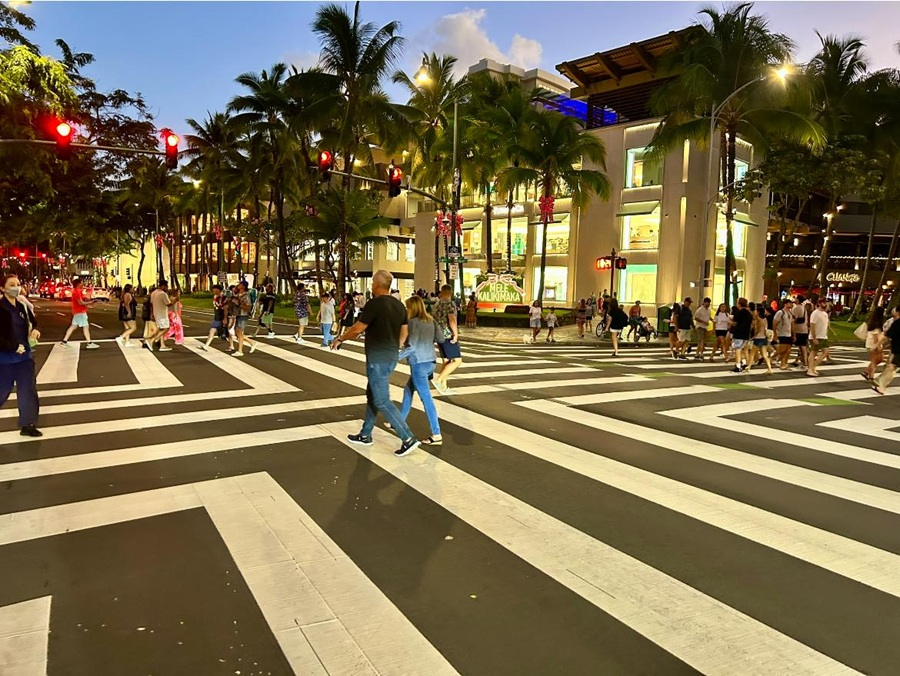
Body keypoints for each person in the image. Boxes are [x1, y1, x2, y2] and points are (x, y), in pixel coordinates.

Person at [331, 270, 420, 457]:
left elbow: (358, 328)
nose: (371, 285)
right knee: (373, 395)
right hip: (390, 356)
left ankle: (407, 437)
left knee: (381, 400)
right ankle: (365, 434)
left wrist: (340, 339)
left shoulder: (374, 304)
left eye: (372, 282)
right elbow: (405, 331)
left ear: (378, 284)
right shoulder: (398, 305)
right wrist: (397, 345)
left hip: (377, 358)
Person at [393, 295, 442, 445]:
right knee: (408, 390)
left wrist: (395, 357)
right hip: (431, 361)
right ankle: (399, 422)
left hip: (419, 363)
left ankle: (436, 434)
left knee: (426, 399)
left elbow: (412, 347)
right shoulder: (431, 320)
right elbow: (440, 339)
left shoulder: (413, 322)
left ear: (411, 308)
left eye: (407, 308)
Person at [0, 274, 42, 437]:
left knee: (27, 391)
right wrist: (13, 347)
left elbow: (33, 323)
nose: (16, 288)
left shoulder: (22, 306)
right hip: (5, 359)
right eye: (11, 285)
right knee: (2, 391)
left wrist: (35, 331)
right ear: (2, 288)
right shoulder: (1, 308)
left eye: (17, 284)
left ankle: (28, 424)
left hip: (25, 358)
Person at [432, 284, 463, 393]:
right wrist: (456, 334)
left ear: (441, 292)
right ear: (450, 292)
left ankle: (444, 387)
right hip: (448, 335)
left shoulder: (436, 304)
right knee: (457, 361)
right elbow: (452, 319)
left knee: (446, 361)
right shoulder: (450, 303)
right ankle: (438, 380)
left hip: (438, 335)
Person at [60, 278, 99, 349]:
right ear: (78, 284)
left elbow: (81, 301)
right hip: (80, 312)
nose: (82, 284)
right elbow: (80, 303)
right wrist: (90, 302)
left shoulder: (77, 291)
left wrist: (88, 302)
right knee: (85, 326)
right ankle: (89, 343)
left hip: (77, 311)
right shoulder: (76, 292)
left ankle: (64, 341)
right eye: (81, 283)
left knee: (73, 326)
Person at [873, 306, 900, 395]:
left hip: (898, 350)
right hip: (897, 350)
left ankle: (881, 386)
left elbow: (886, 336)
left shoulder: (897, 323)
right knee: (891, 367)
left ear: (897, 312)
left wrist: (877, 344)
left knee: (892, 367)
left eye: (894, 310)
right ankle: (880, 382)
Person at [144, 279, 174, 352]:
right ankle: (151, 340)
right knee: (166, 328)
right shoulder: (163, 294)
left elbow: (151, 304)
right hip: (162, 315)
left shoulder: (153, 293)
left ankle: (162, 345)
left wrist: (152, 314)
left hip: (156, 314)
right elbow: (168, 304)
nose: (167, 288)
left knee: (161, 329)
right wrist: (174, 301)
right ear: (163, 286)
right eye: (166, 286)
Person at [231, 281, 259, 357]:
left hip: (243, 315)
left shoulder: (246, 295)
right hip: (238, 315)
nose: (238, 285)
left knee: (239, 332)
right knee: (237, 333)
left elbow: (248, 307)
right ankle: (252, 343)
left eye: (240, 284)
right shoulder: (237, 294)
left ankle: (240, 351)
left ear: (243, 286)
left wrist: (239, 304)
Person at [807, 297, 830, 377]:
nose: (826, 304)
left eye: (826, 303)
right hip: (816, 336)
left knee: (826, 352)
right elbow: (812, 325)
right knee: (814, 352)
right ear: (819, 304)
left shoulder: (825, 314)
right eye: (824, 303)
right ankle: (810, 369)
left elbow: (825, 325)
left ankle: (813, 366)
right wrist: (814, 338)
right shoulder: (815, 313)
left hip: (823, 336)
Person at [729, 297, 753, 373]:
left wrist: (730, 322)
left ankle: (738, 365)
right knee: (742, 349)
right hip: (746, 334)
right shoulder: (749, 313)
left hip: (738, 333)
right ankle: (744, 363)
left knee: (737, 349)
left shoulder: (739, 313)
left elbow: (735, 323)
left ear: (739, 304)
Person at [862, 305, 886, 382]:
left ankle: (866, 372)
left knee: (878, 360)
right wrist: (878, 346)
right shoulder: (876, 325)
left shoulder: (873, 323)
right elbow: (875, 337)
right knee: (875, 360)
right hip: (873, 344)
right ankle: (871, 376)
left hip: (870, 344)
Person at [199, 285, 225, 351]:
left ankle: (250, 342)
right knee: (212, 331)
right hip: (217, 317)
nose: (213, 290)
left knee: (232, 334)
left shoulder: (223, 297)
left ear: (218, 290)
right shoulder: (215, 296)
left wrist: (225, 318)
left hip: (221, 317)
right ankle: (206, 346)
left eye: (214, 289)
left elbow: (225, 308)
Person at [749, 305, 773, 374]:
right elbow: (765, 330)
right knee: (764, 355)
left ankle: (748, 367)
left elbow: (758, 330)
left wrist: (753, 337)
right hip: (764, 338)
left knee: (752, 354)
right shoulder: (765, 319)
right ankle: (769, 369)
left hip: (758, 338)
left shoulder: (758, 320)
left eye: (756, 311)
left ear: (758, 312)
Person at [772, 299, 795, 370]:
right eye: (790, 303)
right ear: (785, 304)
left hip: (788, 334)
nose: (791, 305)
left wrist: (794, 334)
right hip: (782, 333)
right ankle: (771, 358)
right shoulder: (780, 312)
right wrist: (775, 334)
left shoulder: (790, 313)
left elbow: (792, 324)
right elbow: (774, 323)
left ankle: (783, 363)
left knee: (787, 350)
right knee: (782, 349)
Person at [116, 283, 138, 348]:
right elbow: (126, 304)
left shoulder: (125, 294)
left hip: (123, 313)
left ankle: (127, 342)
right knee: (133, 327)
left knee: (127, 328)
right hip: (127, 313)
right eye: (132, 288)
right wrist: (129, 312)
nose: (133, 289)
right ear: (129, 289)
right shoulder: (127, 295)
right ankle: (121, 337)